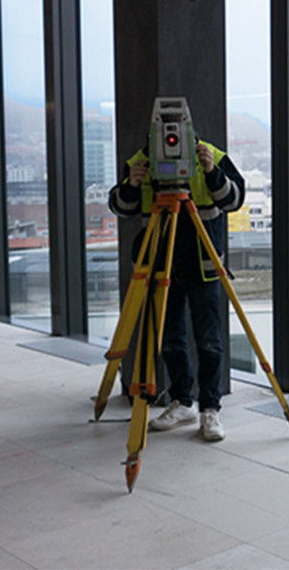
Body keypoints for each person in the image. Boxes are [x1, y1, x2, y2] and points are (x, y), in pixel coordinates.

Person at [108, 135, 245, 441]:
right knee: (170, 339)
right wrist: (132, 183)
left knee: (209, 341)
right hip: (160, 263)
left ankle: (211, 408)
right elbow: (120, 206)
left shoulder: (211, 155)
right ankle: (182, 401)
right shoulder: (140, 160)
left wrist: (211, 171)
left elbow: (234, 200)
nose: (171, 137)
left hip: (203, 264)